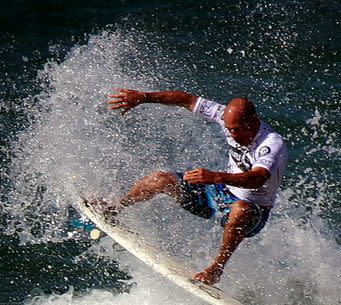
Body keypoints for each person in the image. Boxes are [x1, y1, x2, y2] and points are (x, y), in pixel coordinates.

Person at [106, 89, 288, 285]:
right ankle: (114, 208)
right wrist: (144, 97)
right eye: (229, 129)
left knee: (241, 209)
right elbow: (186, 99)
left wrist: (215, 177)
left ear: (251, 122)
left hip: (253, 210)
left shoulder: (271, 143)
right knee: (160, 179)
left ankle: (215, 270)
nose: (232, 134)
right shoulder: (225, 116)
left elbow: (257, 178)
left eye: (237, 130)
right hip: (220, 194)